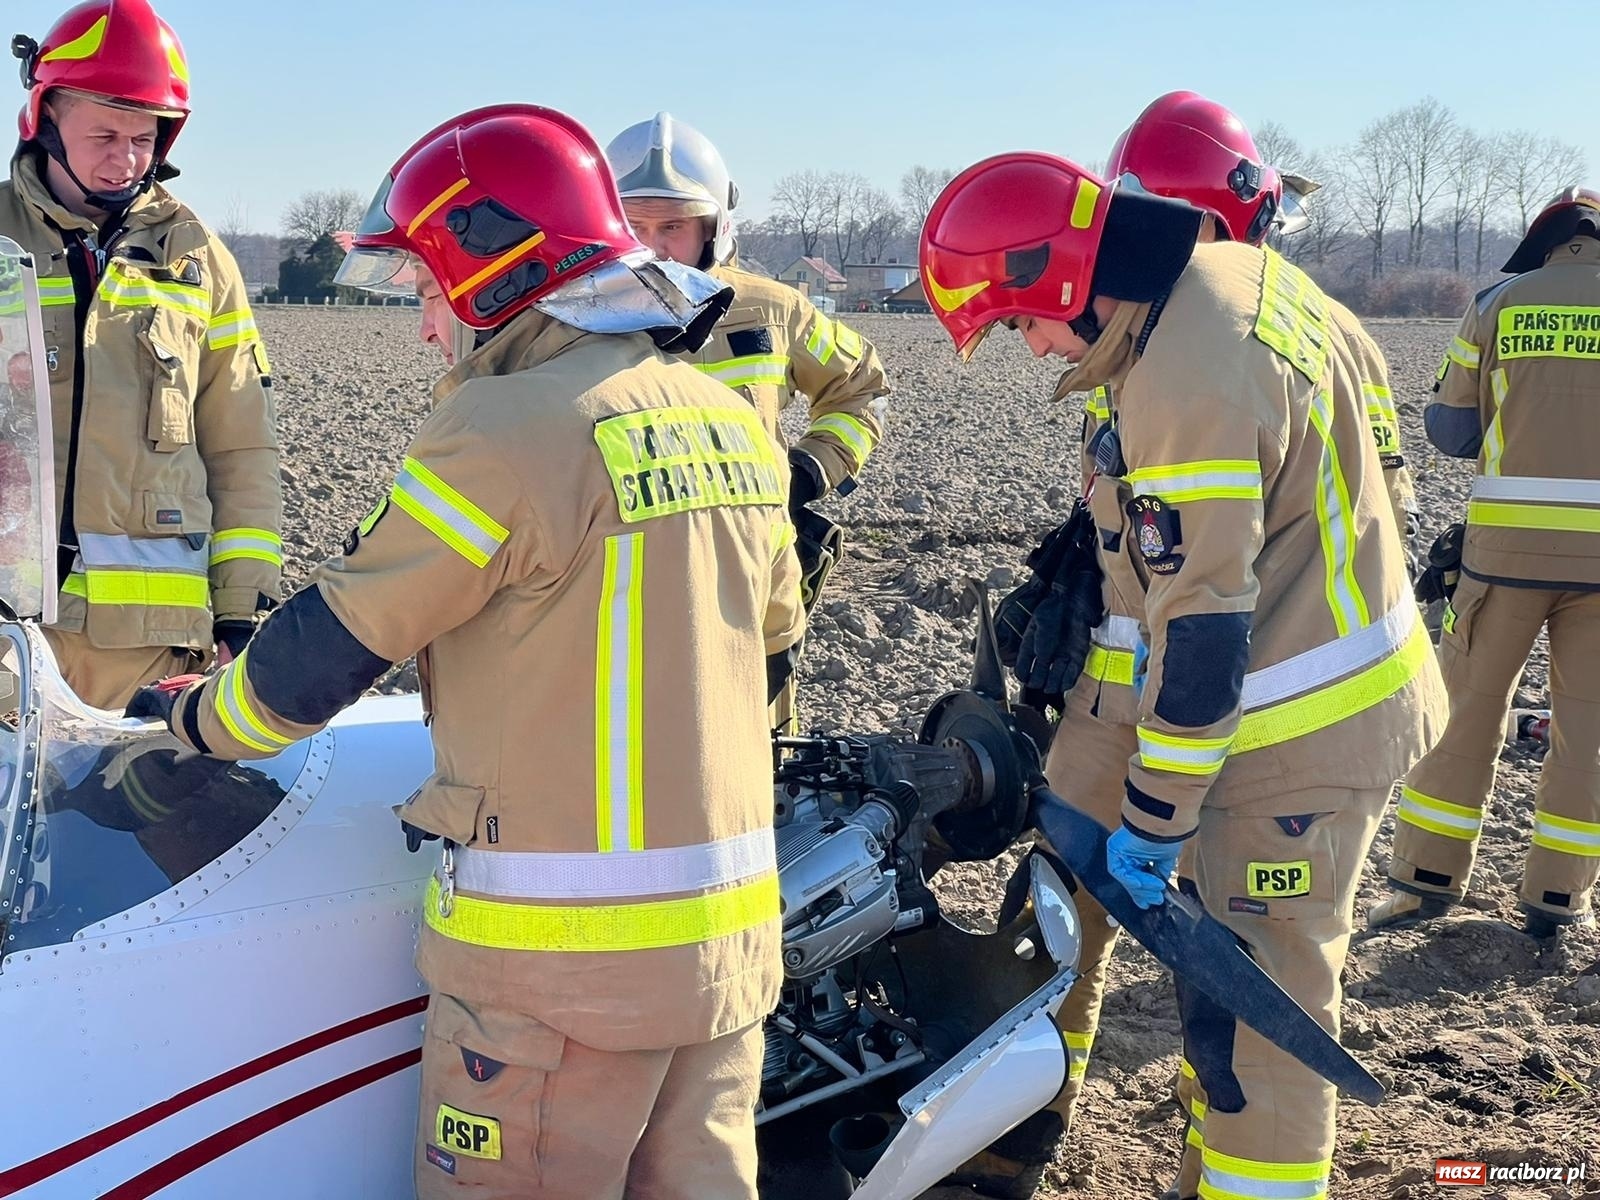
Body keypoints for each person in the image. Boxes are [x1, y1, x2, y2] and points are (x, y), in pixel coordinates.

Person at [130, 102, 803, 1200]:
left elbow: (332, 649)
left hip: (557, 982)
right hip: (725, 966)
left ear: (495, 273)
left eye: (425, 288)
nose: (423, 326)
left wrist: (191, 719)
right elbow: (770, 637)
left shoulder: (504, 430)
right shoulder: (729, 421)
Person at [921, 152, 1444, 1200]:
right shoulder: (1216, 291)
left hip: (1298, 729)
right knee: (1054, 912)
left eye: (1020, 323)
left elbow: (1206, 632)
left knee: (1251, 1008)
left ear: (1067, 280)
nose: (1031, 349)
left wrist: (1157, 819)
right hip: (1162, 695)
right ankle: (1006, 1142)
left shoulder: (1187, 370)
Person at [2, 0, 280, 708]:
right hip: (7, 639)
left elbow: (241, 448)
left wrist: (240, 613)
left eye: (143, 137)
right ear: (46, 116)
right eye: (104, 134)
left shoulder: (200, 260)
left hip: (150, 651)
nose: (125, 158)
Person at [605, 112, 889, 732]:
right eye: (634, 225)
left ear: (714, 226)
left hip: (758, 583)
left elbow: (861, 387)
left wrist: (808, 471)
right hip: (622, 586)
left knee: (758, 754)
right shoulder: (577, 319)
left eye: (673, 226)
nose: (653, 247)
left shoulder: (772, 309)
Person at [1371, 188, 1600, 939]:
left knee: (1465, 712)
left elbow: (1450, 430)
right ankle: (1557, 899)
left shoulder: (1499, 303)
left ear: (1547, 240)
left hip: (1504, 558)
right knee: (1587, 733)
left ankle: (1425, 880)